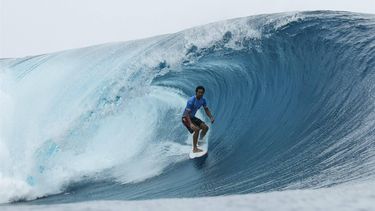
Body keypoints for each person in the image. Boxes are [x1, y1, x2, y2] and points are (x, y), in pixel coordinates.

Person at [182, 86, 215, 153]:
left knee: (205, 128)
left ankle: (199, 140)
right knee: (197, 130)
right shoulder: (191, 100)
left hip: (192, 117)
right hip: (185, 118)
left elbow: (206, 109)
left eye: (202, 93)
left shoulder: (203, 100)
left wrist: (211, 117)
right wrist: (190, 124)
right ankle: (195, 149)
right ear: (196, 92)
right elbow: (186, 113)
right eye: (199, 92)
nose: (200, 94)